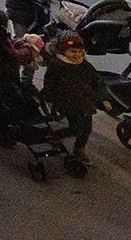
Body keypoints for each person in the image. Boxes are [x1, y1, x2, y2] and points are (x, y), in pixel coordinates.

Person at [40, 33, 106, 163]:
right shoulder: (57, 65)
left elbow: (95, 81)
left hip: (86, 101)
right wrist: (49, 99)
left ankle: (79, 149)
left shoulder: (84, 65)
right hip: (68, 101)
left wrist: (101, 98)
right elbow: (49, 84)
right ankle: (55, 136)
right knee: (76, 128)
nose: (77, 55)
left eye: (80, 51)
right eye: (73, 51)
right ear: (62, 51)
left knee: (86, 129)